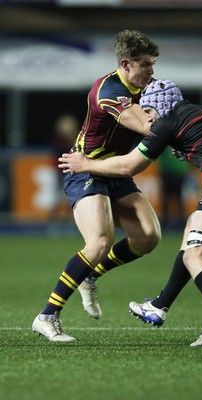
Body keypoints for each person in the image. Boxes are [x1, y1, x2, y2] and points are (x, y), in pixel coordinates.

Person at [58, 79, 202, 347]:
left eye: (148, 112)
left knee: (197, 253)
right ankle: (160, 305)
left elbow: (128, 166)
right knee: (191, 235)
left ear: (158, 106)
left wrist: (86, 163)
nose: (147, 119)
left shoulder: (166, 122)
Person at [32, 30, 161, 342]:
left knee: (148, 237)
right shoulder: (109, 91)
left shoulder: (145, 86)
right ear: (126, 64)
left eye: (153, 64)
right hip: (84, 167)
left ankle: (91, 274)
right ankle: (47, 315)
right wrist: (184, 118)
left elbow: (163, 115)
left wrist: (199, 115)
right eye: (145, 64)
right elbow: (147, 126)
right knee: (100, 242)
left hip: (113, 169)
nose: (152, 71)